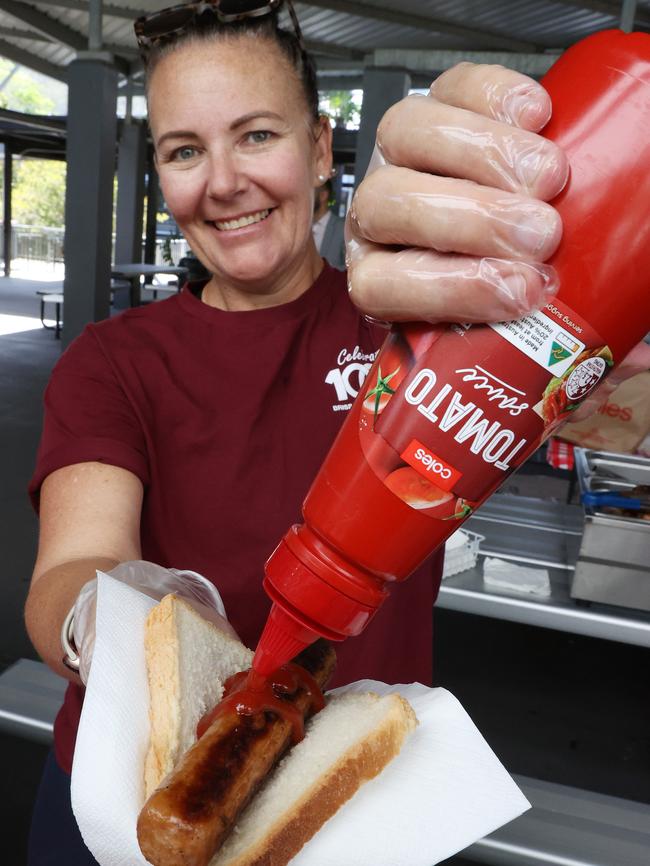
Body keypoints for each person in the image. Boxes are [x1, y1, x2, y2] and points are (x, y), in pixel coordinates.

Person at [23, 1, 648, 862]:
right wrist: (103, 615)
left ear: (322, 148)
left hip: (348, 809)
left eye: (255, 135)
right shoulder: (114, 359)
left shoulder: (435, 324)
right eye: (183, 150)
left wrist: (607, 296)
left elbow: (618, 406)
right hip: (112, 792)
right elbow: (68, 565)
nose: (223, 182)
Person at [312, 176, 346, 269]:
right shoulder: (302, 227)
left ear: (323, 195)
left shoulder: (343, 228)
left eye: (311, 193)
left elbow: (350, 269)